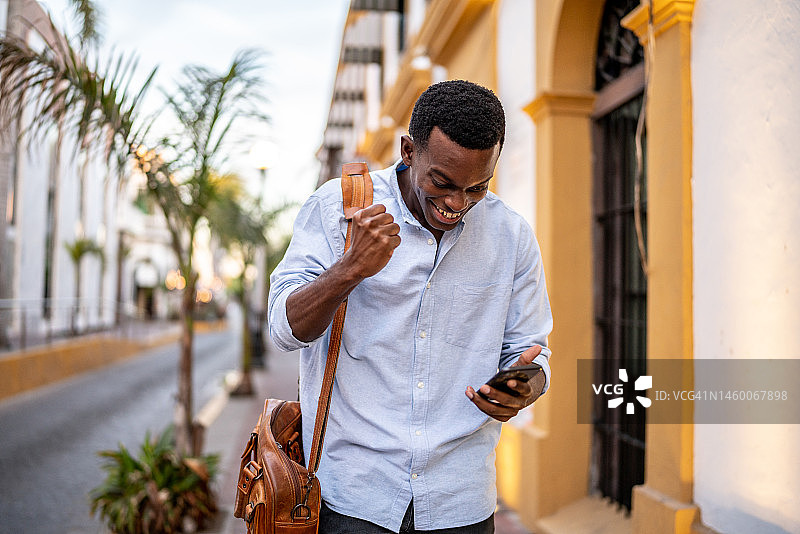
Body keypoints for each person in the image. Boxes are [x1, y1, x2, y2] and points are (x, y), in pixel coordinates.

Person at [268, 80, 553, 534]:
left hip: (460, 501)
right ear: (408, 151)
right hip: (353, 499)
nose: (456, 203)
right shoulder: (337, 208)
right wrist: (350, 268)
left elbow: (531, 352)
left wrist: (526, 386)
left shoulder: (511, 236)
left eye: (477, 187)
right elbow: (284, 329)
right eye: (442, 183)